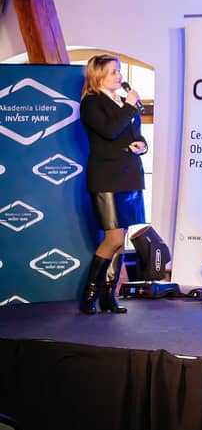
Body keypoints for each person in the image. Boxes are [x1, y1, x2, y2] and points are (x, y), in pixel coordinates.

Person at [78, 54, 148, 314]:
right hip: (106, 177)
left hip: (129, 175)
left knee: (122, 238)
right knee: (113, 237)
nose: (119, 76)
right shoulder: (91, 103)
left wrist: (142, 145)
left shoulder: (121, 101)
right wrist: (129, 106)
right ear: (98, 76)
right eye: (113, 72)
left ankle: (109, 296)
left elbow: (134, 133)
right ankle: (89, 295)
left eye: (119, 71)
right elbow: (110, 130)